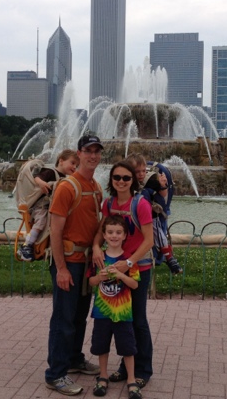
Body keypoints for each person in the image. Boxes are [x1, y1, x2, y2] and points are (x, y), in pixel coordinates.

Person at [45, 135, 104, 396]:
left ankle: (74, 359)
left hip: (86, 262)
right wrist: (61, 269)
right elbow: (55, 231)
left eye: (97, 151)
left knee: (79, 317)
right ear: (79, 154)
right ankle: (55, 374)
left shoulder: (96, 187)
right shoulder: (67, 187)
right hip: (68, 262)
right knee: (63, 319)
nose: (93, 156)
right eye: (88, 151)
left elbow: (97, 224)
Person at [93, 161, 154, 390]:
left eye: (126, 178)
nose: (121, 181)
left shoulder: (141, 204)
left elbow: (149, 240)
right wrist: (96, 247)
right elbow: (102, 230)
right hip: (115, 267)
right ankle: (125, 368)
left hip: (137, 268)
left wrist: (129, 263)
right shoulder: (109, 203)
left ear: (133, 181)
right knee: (120, 320)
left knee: (137, 319)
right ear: (111, 180)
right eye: (117, 177)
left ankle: (142, 369)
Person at [88, 215, 142, 399]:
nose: (114, 236)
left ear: (125, 235)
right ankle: (103, 376)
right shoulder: (99, 257)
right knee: (101, 345)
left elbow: (135, 284)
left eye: (118, 232)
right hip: (102, 312)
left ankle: (131, 379)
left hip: (123, 313)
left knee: (128, 347)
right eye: (110, 232)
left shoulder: (128, 260)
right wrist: (100, 277)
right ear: (104, 235)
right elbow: (91, 281)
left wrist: (120, 274)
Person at [17, 149, 79, 261]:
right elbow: (37, 177)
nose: (75, 167)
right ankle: (26, 245)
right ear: (61, 161)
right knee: (41, 222)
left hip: (50, 208)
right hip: (40, 207)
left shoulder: (65, 179)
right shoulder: (50, 172)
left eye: (77, 165)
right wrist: (41, 183)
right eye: (72, 163)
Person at [126, 153, 183, 274]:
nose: (141, 174)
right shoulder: (126, 182)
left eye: (143, 170)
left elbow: (163, 194)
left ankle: (169, 257)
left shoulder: (150, 180)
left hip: (151, 215)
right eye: (137, 172)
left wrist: (163, 185)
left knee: (158, 232)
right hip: (133, 216)